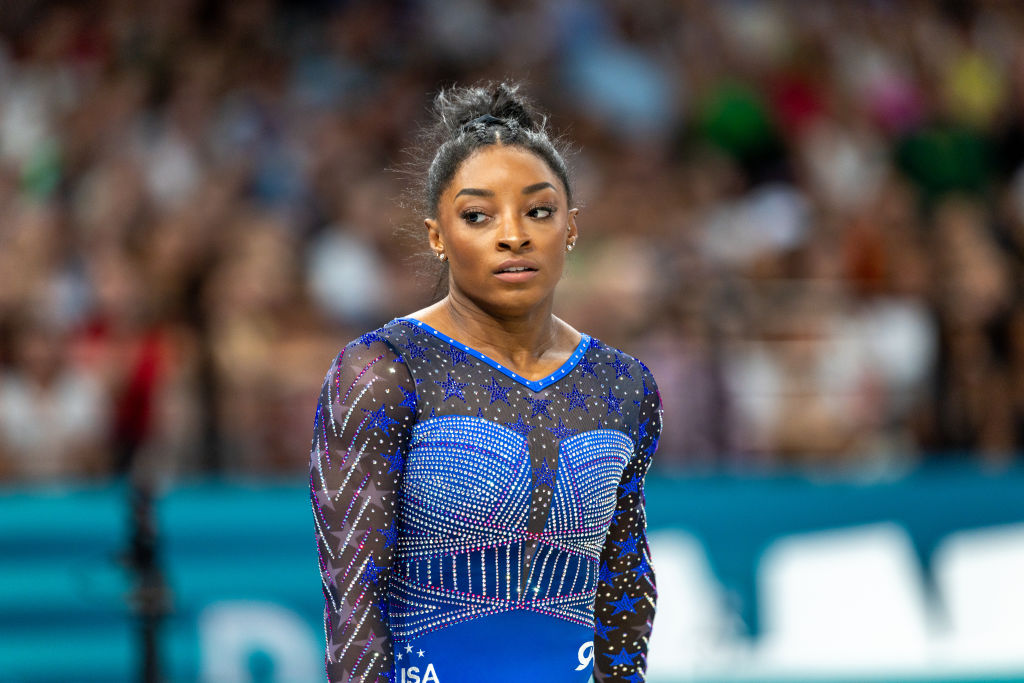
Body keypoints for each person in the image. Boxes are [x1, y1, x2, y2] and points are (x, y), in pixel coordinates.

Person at [309, 81, 662, 683]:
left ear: (571, 228)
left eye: (538, 211)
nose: (513, 235)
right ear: (437, 235)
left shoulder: (621, 385)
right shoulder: (385, 370)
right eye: (477, 215)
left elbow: (626, 589)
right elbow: (352, 601)